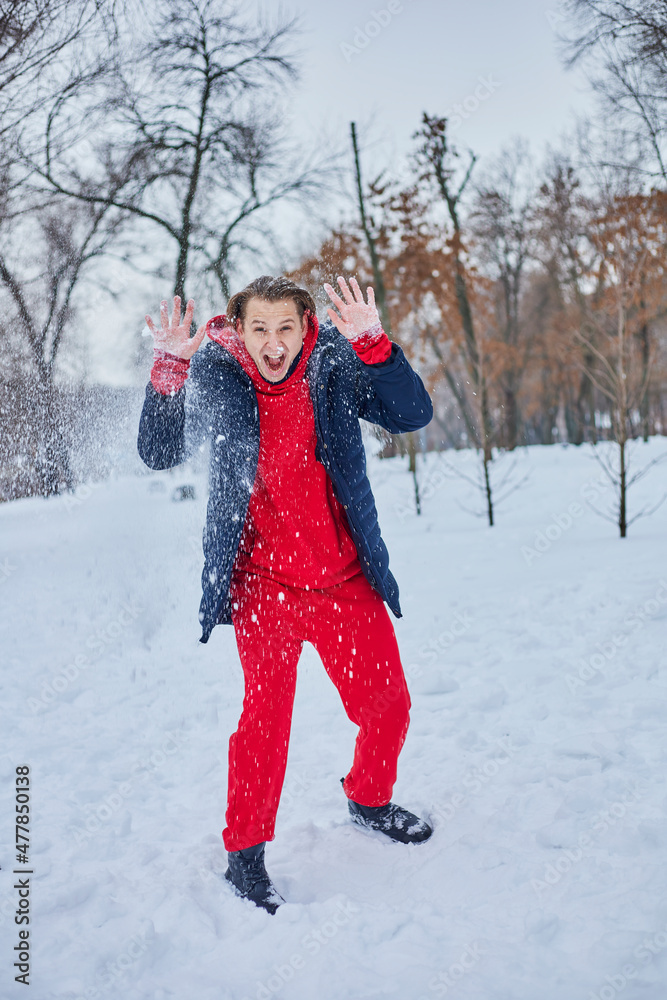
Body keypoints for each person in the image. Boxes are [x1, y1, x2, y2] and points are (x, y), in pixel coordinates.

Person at [138, 275, 434, 914]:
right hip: (262, 587)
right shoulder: (217, 376)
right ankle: (245, 857)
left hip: (343, 578)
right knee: (264, 724)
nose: (274, 345)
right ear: (237, 330)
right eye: (259, 329)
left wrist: (374, 343)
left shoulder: (333, 366)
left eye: (285, 329)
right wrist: (168, 369)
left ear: (306, 325)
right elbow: (159, 453)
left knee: (389, 706)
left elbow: (411, 414)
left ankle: (368, 798)